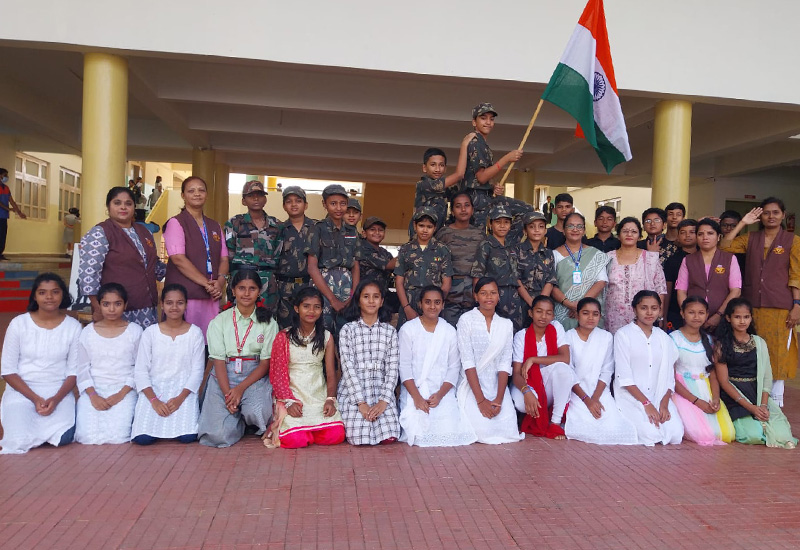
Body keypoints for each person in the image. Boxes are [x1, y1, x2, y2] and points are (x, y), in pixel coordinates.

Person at [720, 198, 800, 406]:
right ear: (760, 216)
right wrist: (742, 223)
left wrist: (797, 305)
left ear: (783, 215)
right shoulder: (751, 238)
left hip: (780, 307)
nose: (771, 216)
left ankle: (775, 403)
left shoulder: (793, 240)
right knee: (754, 352)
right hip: (753, 306)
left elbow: (796, 275)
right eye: (766, 213)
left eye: (775, 212)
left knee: (777, 355)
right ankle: (754, 399)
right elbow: (725, 246)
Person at [0, 273, 81, 454]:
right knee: (18, 439)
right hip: (22, 391)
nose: (49, 297)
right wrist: (35, 399)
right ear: (35, 297)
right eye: (42, 292)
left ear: (63, 295)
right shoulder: (18, 324)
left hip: (58, 391)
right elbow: (8, 370)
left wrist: (56, 399)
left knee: (63, 437)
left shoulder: (73, 326)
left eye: (55, 292)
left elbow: (73, 371)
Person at [199, 270, 279, 447]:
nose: (247, 293)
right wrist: (228, 394)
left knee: (257, 412)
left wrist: (240, 389)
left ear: (259, 292)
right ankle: (237, 421)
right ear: (233, 291)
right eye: (241, 288)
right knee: (217, 436)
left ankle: (244, 417)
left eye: (252, 289)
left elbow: (265, 363)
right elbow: (218, 361)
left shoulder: (268, 322)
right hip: (223, 376)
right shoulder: (219, 321)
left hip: (254, 376)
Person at [398, 286, 477, 447]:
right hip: (415, 390)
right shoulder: (408, 330)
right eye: (428, 302)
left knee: (450, 432)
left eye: (437, 302)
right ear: (420, 304)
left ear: (443, 305)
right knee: (417, 432)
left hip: (442, 392)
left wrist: (440, 395)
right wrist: (417, 398)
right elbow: (404, 366)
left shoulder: (449, 331)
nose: (432, 306)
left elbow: (454, 368)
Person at [268, 287, 345, 448]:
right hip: (292, 396)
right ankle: (307, 431)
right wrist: (288, 402)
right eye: (306, 306)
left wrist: (330, 399)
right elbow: (277, 375)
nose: (311, 311)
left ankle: (311, 430)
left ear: (321, 310)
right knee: (295, 440)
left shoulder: (326, 337)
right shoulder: (284, 336)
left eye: (317, 307)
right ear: (297, 308)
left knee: (336, 435)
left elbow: (331, 373)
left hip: (318, 396)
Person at [715, 298, 796, 448]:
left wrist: (763, 405)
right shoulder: (721, 345)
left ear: (751, 318)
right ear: (728, 318)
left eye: (746, 317)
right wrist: (751, 408)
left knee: (783, 435)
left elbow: (766, 376)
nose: (742, 321)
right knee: (751, 435)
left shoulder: (759, 342)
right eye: (737, 317)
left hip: (757, 392)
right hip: (734, 396)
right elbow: (724, 382)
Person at [79, 187, 165, 328]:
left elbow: (153, 265)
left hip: (147, 307)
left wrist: (179, 265)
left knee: (145, 342)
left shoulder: (144, 231)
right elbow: (89, 273)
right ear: (108, 206)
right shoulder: (100, 232)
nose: (123, 207)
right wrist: (97, 307)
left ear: (134, 207)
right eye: (117, 203)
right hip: (115, 310)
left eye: (128, 203)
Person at [131, 283, 205, 445]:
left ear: (186, 305)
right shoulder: (150, 333)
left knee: (187, 437)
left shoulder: (195, 333)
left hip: (183, 392)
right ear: (162, 305)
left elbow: (197, 371)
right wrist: (154, 401)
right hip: (154, 391)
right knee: (143, 439)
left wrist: (179, 399)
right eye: (169, 303)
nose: (174, 307)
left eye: (180, 303)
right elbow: (141, 371)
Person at [456, 277, 524, 444]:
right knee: (481, 432)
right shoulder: (466, 320)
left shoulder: (506, 324)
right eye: (483, 293)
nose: (488, 297)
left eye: (493, 293)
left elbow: (505, 363)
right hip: (472, 385)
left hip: (497, 386)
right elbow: (467, 362)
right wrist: (481, 401)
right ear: (476, 296)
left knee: (508, 431)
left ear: (498, 296)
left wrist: (499, 399)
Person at [563, 298, 637, 445]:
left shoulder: (606, 337)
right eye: (585, 313)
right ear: (577, 315)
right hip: (576, 393)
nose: (590, 317)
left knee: (614, 427)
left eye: (595, 314)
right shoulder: (568, 337)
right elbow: (568, 372)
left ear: (600, 316)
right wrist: (587, 400)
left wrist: (595, 398)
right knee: (581, 427)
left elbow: (607, 370)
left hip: (600, 391)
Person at [613, 290, 684, 446]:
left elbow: (669, 377)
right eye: (644, 308)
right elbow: (624, 377)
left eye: (654, 308)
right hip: (632, 397)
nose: (649, 312)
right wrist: (646, 404)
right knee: (650, 435)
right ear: (634, 309)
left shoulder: (664, 338)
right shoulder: (623, 335)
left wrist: (664, 404)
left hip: (659, 395)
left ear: (660, 310)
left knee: (675, 434)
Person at [75, 283, 142, 445]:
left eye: (117, 304)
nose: (112, 309)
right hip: (94, 390)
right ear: (99, 305)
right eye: (106, 304)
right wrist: (93, 396)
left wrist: (120, 394)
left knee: (119, 436)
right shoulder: (87, 332)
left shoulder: (135, 331)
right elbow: (82, 369)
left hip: (125, 390)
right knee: (86, 437)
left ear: (125, 305)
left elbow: (139, 367)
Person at [337, 279, 401, 445]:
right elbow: (348, 368)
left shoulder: (390, 332)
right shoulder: (348, 330)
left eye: (376, 297)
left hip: (381, 391)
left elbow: (392, 368)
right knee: (360, 438)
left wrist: (384, 401)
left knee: (390, 436)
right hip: (354, 392)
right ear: (358, 300)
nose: (371, 301)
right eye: (366, 296)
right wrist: (361, 403)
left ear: (382, 301)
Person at [164, 176, 229, 337]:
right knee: (186, 339)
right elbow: (178, 259)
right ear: (183, 195)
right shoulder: (176, 223)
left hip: (211, 296)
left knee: (209, 341)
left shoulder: (214, 225)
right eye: (191, 191)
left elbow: (224, 258)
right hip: (186, 296)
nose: (197, 194)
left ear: (207, 194)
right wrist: (207, 284)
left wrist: (220, 282)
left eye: (201, 190)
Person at [670, 297, 734, 446]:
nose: (696, 317)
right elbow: (671, 378)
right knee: (702, 434)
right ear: (682, 313)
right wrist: (697, 402)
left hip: (706, 389)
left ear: (707, 315)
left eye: (701, 313)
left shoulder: (710, 340)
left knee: (726, 433)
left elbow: (712, 373)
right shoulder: (673, 339)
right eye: (691, 312)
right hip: (682, 391)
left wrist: (715, 398)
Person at [511, 295, 573, 439]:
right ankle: (536, 411)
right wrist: (526, 391)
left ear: (553, 316)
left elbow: (565, 358)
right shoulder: (521, 336)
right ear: (531, 313)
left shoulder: (556, 328)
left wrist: (533, 359)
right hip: (527, 382)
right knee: (520, 403)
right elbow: (516, 373)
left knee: (563, 369)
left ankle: (555, 422)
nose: (543, 316)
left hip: (549, 383)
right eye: (539, 311)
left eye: (548, 313)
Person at [456, 103, 523, 229]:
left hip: (481, 196)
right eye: (483, 118)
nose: (488, 122)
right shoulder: (476, 143)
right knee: (525, 210)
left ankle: (499, 240)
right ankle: (502, 241)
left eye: (491, 119)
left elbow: (478, 177)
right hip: (477, 198)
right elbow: (481, 177)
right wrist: (507, 158)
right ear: (474, 122)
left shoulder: (481, 143)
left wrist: (492, 187)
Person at [305, 184, 360, 336]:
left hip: (347, 287)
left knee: (347, 332)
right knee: (322, 332)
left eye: (343, 203)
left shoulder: (352, 231)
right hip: (323, 287)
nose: (338, 208)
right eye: (333, 203)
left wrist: (353, 295)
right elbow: (312, 267)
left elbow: (355, 265)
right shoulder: (317, 229)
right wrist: (332, 300)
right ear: (324, 204)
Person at [224, 180, 282, 313]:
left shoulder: (276, 225)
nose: (256, 199)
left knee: (266, 318)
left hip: (267, 281)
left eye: (260, 195)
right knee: (238, 316)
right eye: (251, 196)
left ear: (265, 199)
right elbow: (228, 253)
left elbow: (278, 253)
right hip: (241, 278)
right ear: (243, 201)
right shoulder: (234, 223)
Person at [675, 218, 741, 332]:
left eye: (710, 233)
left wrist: (719, 315)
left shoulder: (729, 259)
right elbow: (681, 291)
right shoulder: (688, 260)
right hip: (693, 321)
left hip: (722, 319)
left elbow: (736, 291)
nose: (705, 237)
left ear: (718, 237)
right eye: (700, 234)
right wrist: (688, 314)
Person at [604, 216, 666, 334]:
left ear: (639, 236)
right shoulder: (607, 258)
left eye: (634, 231)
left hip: (644, 315)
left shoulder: (650, 258)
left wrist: (659, 313)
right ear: (618, 235)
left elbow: (660, 287)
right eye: (625, 231)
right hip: (612, 316)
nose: (629, 234)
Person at [394, 207, 452, 330]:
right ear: (415, 226)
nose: (425, 230)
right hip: (409, 302)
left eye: (429, 226)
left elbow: (446, 282)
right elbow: (399, 282)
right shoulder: (405, 249)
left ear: (435, 228)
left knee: (432, 337)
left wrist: (436, 304)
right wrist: (407, 308)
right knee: (406, 336)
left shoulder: (442, 250)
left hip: (432, 304)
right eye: (421, 225)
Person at [471, 204, 525, 331]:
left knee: (514, 332)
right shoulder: (486, 245)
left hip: (513, 297)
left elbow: (515, 276)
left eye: (506, 222)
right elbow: (477, 274)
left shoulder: (512, 245)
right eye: (498, 222)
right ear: (490, 224)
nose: (502, 226)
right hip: (494, 296)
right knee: (494, 331)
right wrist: (478, 297)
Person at [551, 212, 609, 330]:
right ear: (563, 230)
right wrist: (569, 304)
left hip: (589, 310)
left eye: (579, 226)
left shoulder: (595, 254)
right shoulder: (554, 254)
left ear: (584, 231)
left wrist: (581, 305)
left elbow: (601, 281)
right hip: (563, 310)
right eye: (570, 226)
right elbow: (551, 284)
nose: (575, 229)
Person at [437, 191, 484, 327]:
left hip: (473, 291)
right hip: (450, 291)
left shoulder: (480, 235)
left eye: (467, 205)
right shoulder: (443, 233)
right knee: (448, 330)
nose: (463, 209)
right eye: (458, 206)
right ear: (452, 211)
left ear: (472, 209)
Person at [409, 142, 470, 238]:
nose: (437, 169)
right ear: (424, 168)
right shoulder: (424, 184)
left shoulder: (444, 189)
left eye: (441, 165)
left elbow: (461, 191)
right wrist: (465, 145)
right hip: (420, 236)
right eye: (433, 165)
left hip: (436, 235)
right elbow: (459, 175)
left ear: (445, 168)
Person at [276, 186, 315, 329]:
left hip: (309, 285)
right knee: (285, 327)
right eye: (289, 201)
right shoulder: (279, 229)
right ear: (283, 206)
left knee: (309, 326)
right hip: (285, 287)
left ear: (306, 205)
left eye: (298, 201)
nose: (293, 204)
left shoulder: (316, 228)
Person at [516, 211, 556, 315]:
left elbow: (550, 280)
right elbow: (516, 280)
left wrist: (540, 304)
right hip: (520, 304)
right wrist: (532, 303)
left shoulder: (548, 253)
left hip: (542, 307)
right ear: (525, 230)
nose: (537, 230)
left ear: (545, 230)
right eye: (532, 227)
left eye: (541, 226)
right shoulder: (516, 250)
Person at [662, 219, 698, 331]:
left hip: (701, 311)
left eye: (692, 232)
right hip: (676, 312)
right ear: (678, 236)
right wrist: (664, 316)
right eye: (683, 232)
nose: (687, 236)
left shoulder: (705, 257)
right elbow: (667, 290)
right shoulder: (672, 260)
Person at [0, 167, 27, 260]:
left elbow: (12, 201)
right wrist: (8, 209)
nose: (6, 177)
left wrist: (19, 212)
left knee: (3, 235)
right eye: (5, 175)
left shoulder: (6, 188)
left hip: (3, 217)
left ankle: (0, 253)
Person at [719, 209, 746, 275]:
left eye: (733, 226)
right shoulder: (714, 243)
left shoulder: (745, 242)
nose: (728, 228)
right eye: (724, 225)